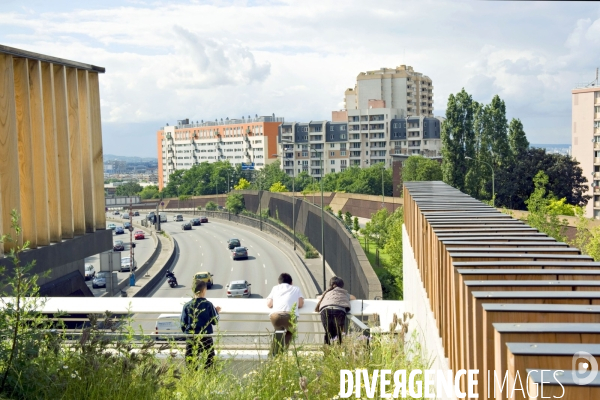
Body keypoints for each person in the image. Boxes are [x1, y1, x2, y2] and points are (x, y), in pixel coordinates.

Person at [180, 280, 221, 369]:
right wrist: (217, 312)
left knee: (191, 363)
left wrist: (188, 333)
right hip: (206, 337)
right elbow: (215, 321)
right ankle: (207, 377)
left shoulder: (187, 305)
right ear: (203, 291)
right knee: (209, 361)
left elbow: (183, 324)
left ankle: (192, 379)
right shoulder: (208, 305)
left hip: (192, 337)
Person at [266, 273, 304, 355]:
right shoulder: (296, 289)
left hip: (275, 316)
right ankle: (282, 351)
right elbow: (300, 304)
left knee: (278, 332)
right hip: (290, 316)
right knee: (290, 332)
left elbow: (269, 304)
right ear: (291, 283)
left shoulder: (275, 288)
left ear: (278, 283)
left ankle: (274, 352)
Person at [315, 277, 356, 345]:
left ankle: (327, 353)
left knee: (328, 333)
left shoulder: (327, 292)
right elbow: (353, 298)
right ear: (342, 285)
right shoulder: (344, 292)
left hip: (325, 311)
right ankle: (337, 353)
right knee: (338, 333)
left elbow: (318, 297)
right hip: (339, 311)